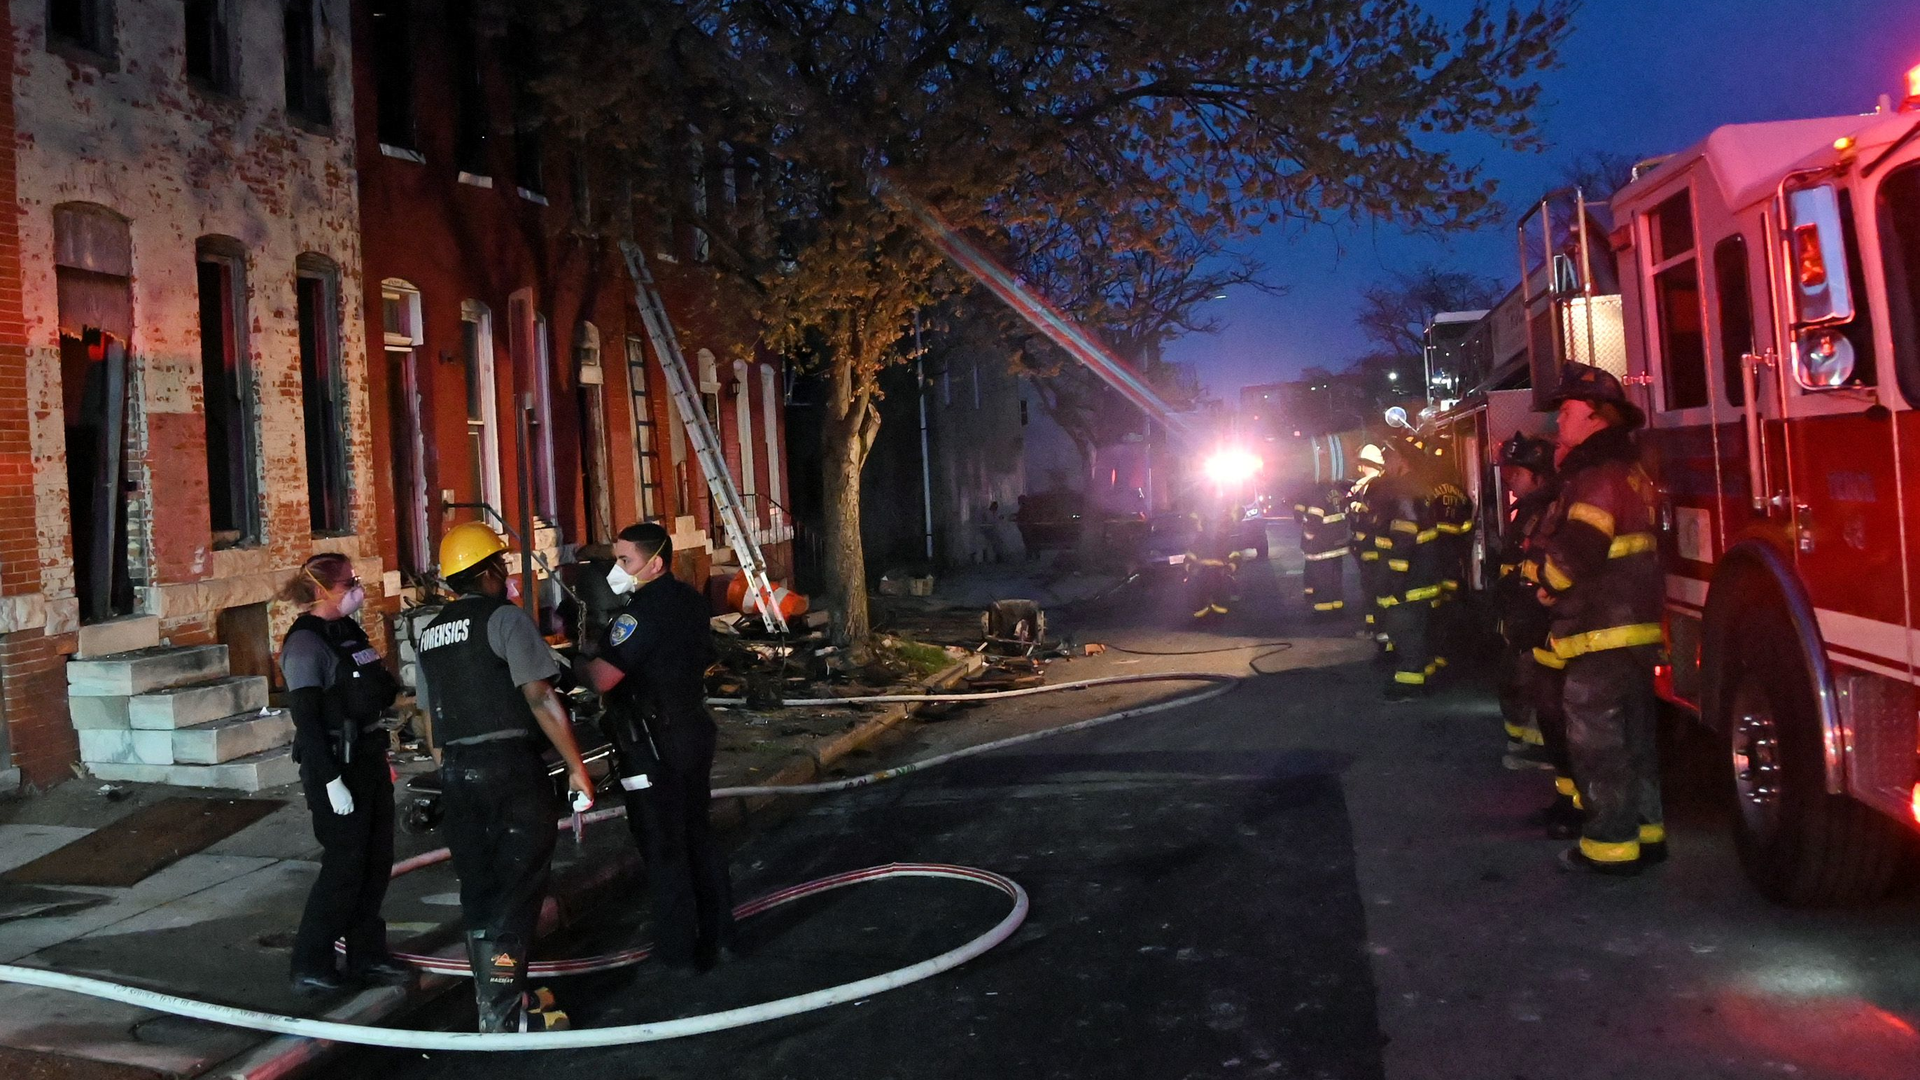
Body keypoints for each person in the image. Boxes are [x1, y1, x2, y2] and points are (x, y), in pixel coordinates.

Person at [415, 522, 594, 1031]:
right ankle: (505, 1017)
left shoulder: (429, 634)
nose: (509, 577)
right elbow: (540, 696)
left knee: (480, 889)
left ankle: (495, 1000)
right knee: (517, 891)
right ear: (489, 571)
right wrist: (578, 769)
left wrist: (449, 772)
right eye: (503, 567)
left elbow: (432, 720)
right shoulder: (505, 621)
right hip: (510, 770)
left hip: (457, 774)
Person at [586, 523, 736, 972]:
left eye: (625, 560)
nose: (618, 569)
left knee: (662, 843)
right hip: (692, 728)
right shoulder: (690, 600)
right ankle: (721, 936)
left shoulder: (638, 614)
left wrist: (578, 661)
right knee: (698, 834)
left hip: (651, 743)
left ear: (656, 562)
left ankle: (677, 952)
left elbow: (604, 678)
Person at [1534, 365, 1665, 876]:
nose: (1556, 422)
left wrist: (1542, 583)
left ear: (1594, 416)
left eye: (1565, 412)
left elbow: (1579, 550)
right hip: (1631, 628)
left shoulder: (1596, 477)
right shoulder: (1626, 470)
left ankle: (1608, 847)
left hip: (1598, 631)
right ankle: (1647, 834)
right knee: (1635, 739)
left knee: (1597, 742)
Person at [279, 554, 406, 995]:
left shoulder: (347, 631)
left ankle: (366, 954)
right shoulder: (305, 645)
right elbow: (307, 721)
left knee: (377, 860)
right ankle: (310, 961)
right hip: (335, 762)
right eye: (348, 582)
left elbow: (378, 685)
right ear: (320, 589)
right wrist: (331, 780)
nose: (357, 588)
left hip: (368, 754)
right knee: (344, 866)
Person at [1490, 434, 1559, 772]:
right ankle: (1528, 742)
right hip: (1521, 610)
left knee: (1536, 682)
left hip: (1537, 614)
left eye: (1516, 475)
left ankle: (1542, 749)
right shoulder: (1531, 508)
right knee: (1521, 679)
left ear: (1539, 474)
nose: (1511, 483)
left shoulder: (1547, 509)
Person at [1373, 437, 1442, 699]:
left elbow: (1403, 537)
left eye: (1389, 457)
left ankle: (1410, 684)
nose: (1385, 462)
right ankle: (1425, 675)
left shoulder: (1403, 490)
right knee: (1420, 629)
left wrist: (1395, 579)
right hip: (1423, 574)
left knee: (1405, 628)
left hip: (1410, 580)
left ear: (1402, 460)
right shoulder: (1418, 486)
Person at [1347, 445, 1389, 651]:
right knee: (1374, 588)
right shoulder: (1377, 485)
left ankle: (1377, 629)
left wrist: (1356, 509)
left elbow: (1367, 518)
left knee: (1373, 588)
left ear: (1364, 465)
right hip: (1374, 546)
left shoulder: (1369, 488)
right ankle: (1375, 626)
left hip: (1371, 547)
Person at [1299, 475, 1351, 614]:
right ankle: (1337, 609)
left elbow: (1313, 522)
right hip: (1338, 546)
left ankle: (1323, 612)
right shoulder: (1338, 492)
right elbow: (1346, 514)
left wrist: (1307, 536)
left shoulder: (1318, 494)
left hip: (1322, 547)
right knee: (1335, 581)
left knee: (1323, 582)